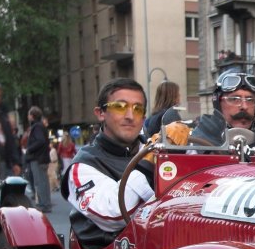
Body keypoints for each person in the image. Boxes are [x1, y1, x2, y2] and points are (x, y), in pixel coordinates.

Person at [63, 78, 189, 235]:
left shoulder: (155, 147)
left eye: (138, 109)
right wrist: (151, 157)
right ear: (101, 113)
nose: (130, 116)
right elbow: (113, 214)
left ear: (143, 117)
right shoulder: (83, 165)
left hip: (168, 242)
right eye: (120, 107)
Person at [191, 71, 255, 146]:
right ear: (218, 103)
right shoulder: (192, 147)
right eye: (235, 99)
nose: (244, 106)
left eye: (250, 100)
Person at [24, 106, 52, 213]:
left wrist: (29, 149)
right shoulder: (41, 126)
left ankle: (43, 204)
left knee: (39, 182)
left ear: (32, 116)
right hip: (42, 158)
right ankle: (46, 203)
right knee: (43, 181)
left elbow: (40, 141)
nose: (28, 117)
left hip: (38, 158)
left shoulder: (37, 127)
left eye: (28, 115)